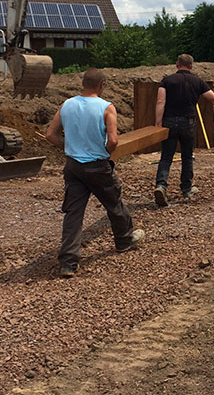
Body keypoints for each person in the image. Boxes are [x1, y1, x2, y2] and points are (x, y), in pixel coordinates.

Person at [46, 68, 144, 278]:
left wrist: (69, 147)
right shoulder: (106, 107)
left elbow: (50, 135)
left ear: (83, 83)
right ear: (102, 86)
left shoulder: (66, 105)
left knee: (73, 213)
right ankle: (124, 240)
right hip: (97, 165)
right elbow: (114, 140)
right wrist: (103, 154)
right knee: (114, 203)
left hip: (73, 166)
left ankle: (68, 263)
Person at [154, 54, 214, 206]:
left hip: (169, 122)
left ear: (177, 65)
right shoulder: (198, 82)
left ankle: (161, 186)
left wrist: (158, 124)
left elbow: (160, 101)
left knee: (166, 157)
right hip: (188, 122)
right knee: (187, 156)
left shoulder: (166, 81)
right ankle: (186, 189)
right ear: (191, 66)